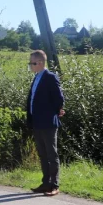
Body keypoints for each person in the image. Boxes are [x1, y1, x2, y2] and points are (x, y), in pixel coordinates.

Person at [25, 50, 65, 196]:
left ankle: (54, 185)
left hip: (48, 122)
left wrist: (54, 112)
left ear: (40, 63)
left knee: (51, 154)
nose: (30, 66)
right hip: (37, 122)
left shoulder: (50, 77)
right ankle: (45, 182)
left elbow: (59, 99)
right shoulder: (36, 77)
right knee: (42, 154)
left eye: (32, 63)